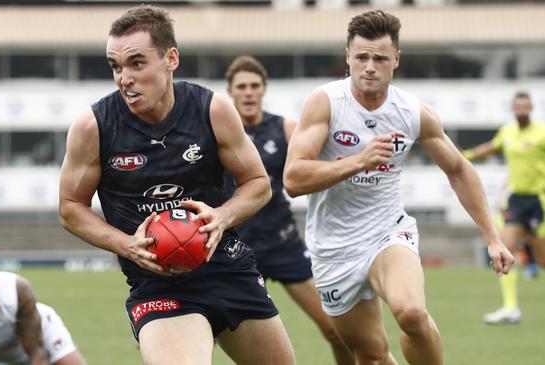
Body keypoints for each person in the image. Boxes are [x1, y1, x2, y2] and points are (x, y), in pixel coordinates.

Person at [58, 5, 295, 365]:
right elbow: (70, 208)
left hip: (227, 267)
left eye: (137, 64)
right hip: (157, 284)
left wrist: (222, 216)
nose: (124, 78)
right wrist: (127, 245)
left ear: (171, 58)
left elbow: (258, 183)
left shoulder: (212, 110)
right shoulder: (94, 126)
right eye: (116, 67)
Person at [283, 10, 514, 365]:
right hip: (333, 247)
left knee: (411, 314)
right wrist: (358, 161)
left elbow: (458, 169)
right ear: (348, 57)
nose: (370, 66)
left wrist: (493, 237)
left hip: (387, 232)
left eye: (379, 58)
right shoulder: (325, 103)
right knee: (372, 356)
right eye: (361, 57)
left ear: (396, 60)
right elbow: (293, 179)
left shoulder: (412, 112)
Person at [223, 55, 353, 365]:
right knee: (211, 332)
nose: (249, 92)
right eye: (242, 86)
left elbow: (316, 168)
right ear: (230, 92)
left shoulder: (285, 129)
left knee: (336, 328)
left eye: (255, 86)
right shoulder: (219, 132)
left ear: (264, 90)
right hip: (237, 247)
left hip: (284, 245)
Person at [462, 91, 545, 324]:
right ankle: (510, 308)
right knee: (504, 251)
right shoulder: (507, 132)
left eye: (525, 107)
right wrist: (464, 156)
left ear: (531, 108)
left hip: (539, 202)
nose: (521, 111)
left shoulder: (541, 133)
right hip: (517, 201)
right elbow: (491, 147)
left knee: (541, 259)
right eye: (517, 107)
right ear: (513, 109)